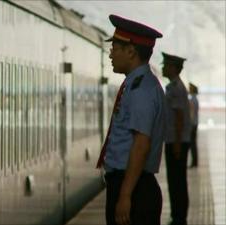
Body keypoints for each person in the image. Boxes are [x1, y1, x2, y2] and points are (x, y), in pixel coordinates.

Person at [96, 14, 165, 225]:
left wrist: (125, 196)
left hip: (134, 189)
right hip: (132, 185)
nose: (110, 54)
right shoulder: (137, 85)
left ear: (131, 51)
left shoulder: (141, 90)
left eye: (115, 48)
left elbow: (141, 145)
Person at [162, 52, 192, 225]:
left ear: (173, 68)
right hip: (175, 140)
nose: (163, 68)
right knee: (175, 180)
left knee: (177, 180)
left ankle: (179, 217)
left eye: (166, 65)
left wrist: (178, 144)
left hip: (176, 141)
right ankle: (177, 215)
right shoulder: (174, 86)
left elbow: (179, 117)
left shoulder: (176, 88)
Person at [188, 83, 199, 168]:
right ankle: (194, 161)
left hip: (192, 124)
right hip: (194, 123)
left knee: (192, 144)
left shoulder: (192, 100)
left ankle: (194, 162)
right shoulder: (195, 99)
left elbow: (191, 113)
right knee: (193, 143)